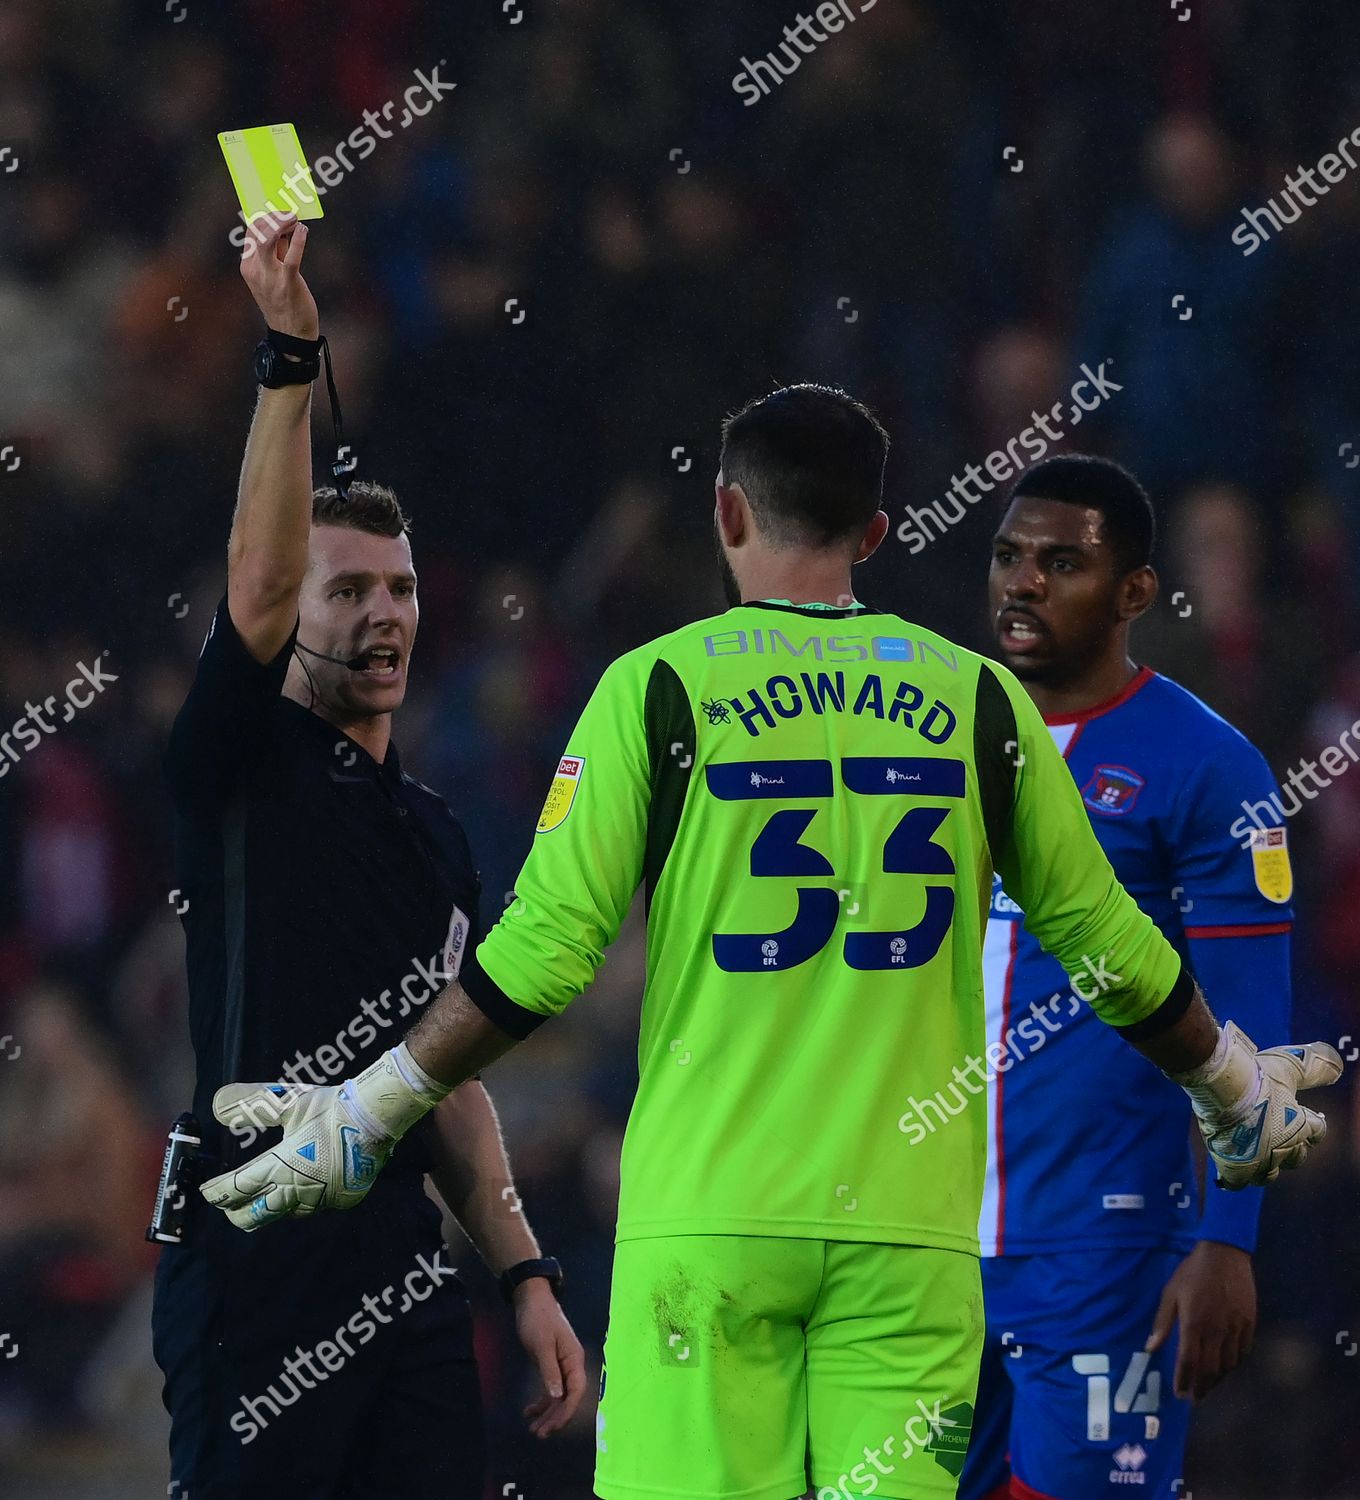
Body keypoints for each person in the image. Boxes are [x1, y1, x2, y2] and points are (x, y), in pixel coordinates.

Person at [201, 385, 1339, 1500]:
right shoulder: (983, 704)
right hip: (908, 1242)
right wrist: (1231, 1084)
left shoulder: (656, 689)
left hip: (710, 1232)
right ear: (878, 532)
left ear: (728, 514)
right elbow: (1110, 945)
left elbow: (546, 952)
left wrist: (375, 1103)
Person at [152, 213, 584, 1500]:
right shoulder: (234, 768)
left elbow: (443, 1067)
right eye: (349, 593)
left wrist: (524, 1272)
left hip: (402, 1268)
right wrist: (290, 356)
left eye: (397, 589)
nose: (383, 612)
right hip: (256, 1240)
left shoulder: (435, 830)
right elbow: (259, 584)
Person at [955, 455, 1299, 1500]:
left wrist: (1226, 1241)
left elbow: (1252, 1024)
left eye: (1061, 563)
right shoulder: (935, 742)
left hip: (1106, 1255)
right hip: (919, 1245)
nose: (1022, 583)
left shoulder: (1206, 766)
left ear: (1135, 593)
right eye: (1009, 556)